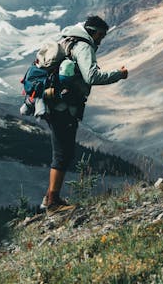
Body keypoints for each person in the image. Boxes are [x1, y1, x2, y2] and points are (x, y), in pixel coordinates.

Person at [42, 15, 128, 212]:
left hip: (54, 104)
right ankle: (52, 201)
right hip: (64, 107)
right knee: (63, 153)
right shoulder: (83, 46)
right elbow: (92, 76)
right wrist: (119, 74)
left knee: (63, 151)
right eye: (100, 35)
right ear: (91, 31)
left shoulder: (67, 39)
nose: (101, 39)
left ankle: (50, 197)